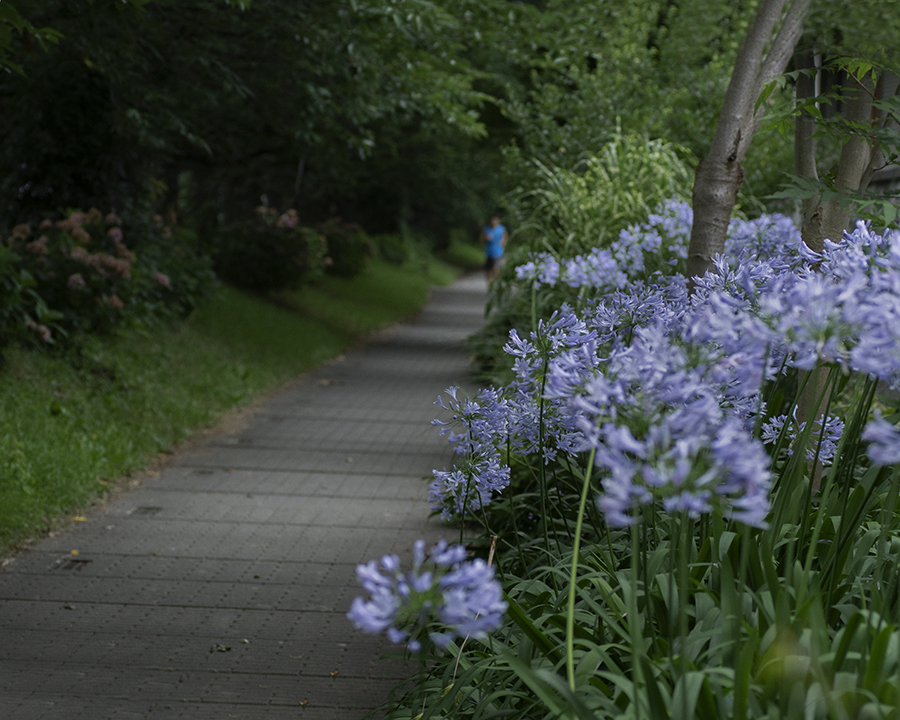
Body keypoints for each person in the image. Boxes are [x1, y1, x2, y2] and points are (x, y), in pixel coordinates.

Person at [481, 214, 508, 282]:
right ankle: (488, 282)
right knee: (488, 268)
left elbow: (505, 238)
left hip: (498, 251)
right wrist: (486, 238)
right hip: (489, 251)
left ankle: (496, 282)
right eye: (492, 220)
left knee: (495, 266)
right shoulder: (487, 229)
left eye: (495, 220)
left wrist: (503, 242)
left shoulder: (501, 229)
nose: (493, 222)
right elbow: (481, 239)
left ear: (498, 221)